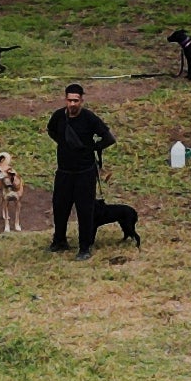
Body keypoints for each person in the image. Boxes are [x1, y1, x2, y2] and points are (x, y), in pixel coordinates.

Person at [45, 82, 115, 259]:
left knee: (85, 210)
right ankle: (59, 240)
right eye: (69, 100)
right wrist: (64, 142)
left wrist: (91, 148)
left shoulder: (89, 118)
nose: (72, 104)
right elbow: (51, 130)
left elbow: (108, 138)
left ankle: (85, 246)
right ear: (65, 99)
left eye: (76, 100)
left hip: (85, 172)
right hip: (64, 172)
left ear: (82, 100)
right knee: (60, 207)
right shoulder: (59, 116)